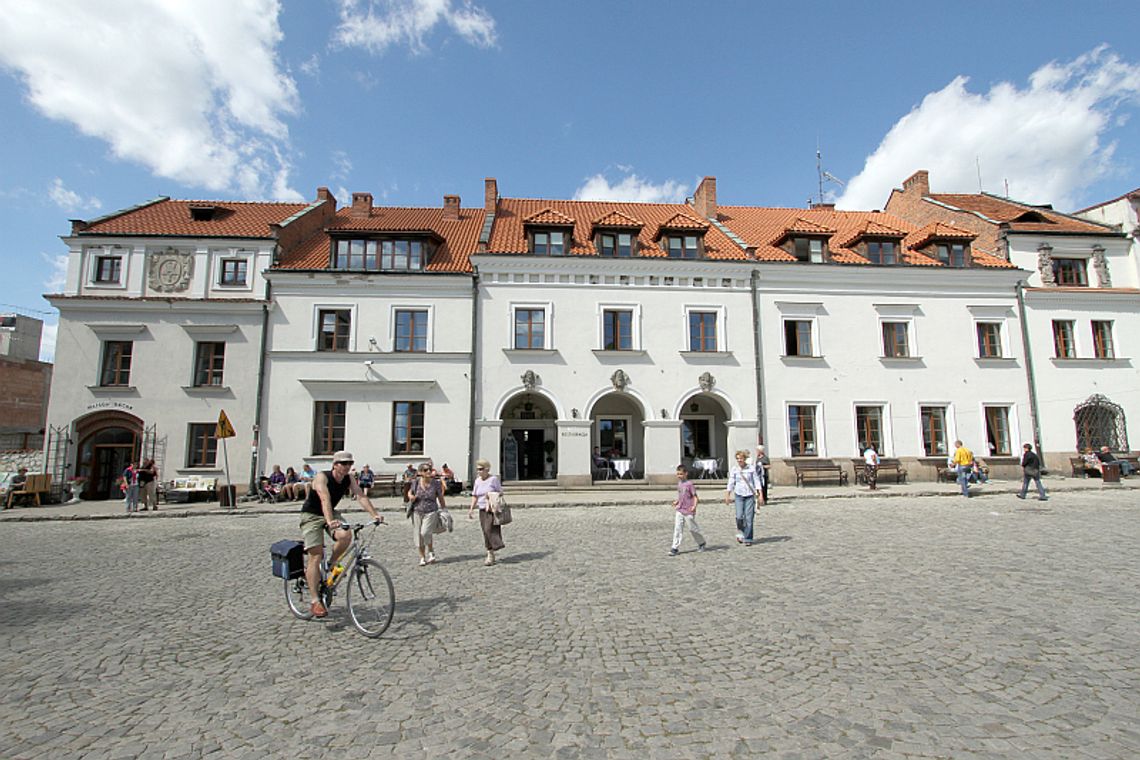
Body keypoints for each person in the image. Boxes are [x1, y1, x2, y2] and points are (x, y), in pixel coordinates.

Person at [299, 451, 382, 618]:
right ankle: (315, 601)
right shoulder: (322, 477)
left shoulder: (348, 478)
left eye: (349, 463)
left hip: (331, 513)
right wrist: (330, 521)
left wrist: (374, 514)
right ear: (335, 464)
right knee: (315, 555)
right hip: (312, 516)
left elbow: (360, 495)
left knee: (346, 535)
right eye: (343, 463)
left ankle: (331, 563)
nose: (347, 467)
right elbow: (325, 499)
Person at [407, 462, 447, 566]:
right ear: (420, 472)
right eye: (425, 470)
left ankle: (430, 550)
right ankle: (422, 557)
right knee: (418, 535)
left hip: (431, 511)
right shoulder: (416, 482)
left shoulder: (436, 483)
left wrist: (444, 510)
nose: (428, 471)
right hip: (417, 511)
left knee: (425, 532)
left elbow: (440, 497)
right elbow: (410, 492)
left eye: (429, 469)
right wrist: (411, 496)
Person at [468, 458, 505, 565]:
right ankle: (490, 552)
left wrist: (490, 495)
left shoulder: (493, 479)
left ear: (487, 469)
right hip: (482, 509)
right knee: (485, 531)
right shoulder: (477, 481)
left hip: (492, 509)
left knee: (489, 529)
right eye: (477, 469)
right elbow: (475, 495)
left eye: (481, 469)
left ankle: (495, 547)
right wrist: (471, 509)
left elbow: (500, 492)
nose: (478, 471)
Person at [724, 449, 764, 546]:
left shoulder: (751, 469)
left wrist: (760, 494)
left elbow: (757, 481)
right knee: (739, 516)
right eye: (737, 459)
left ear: (744, 459)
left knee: (749, 518)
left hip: (749, 495)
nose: (739, 460)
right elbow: (731, 482)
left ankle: (748, 537)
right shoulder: (735, 469)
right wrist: (727, 495)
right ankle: (741, 532)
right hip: (739, 495)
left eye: (741, 458)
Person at [669, 464, 705, 556]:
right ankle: (674, 547)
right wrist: (677, 501)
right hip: (680, 509)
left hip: (689, 509)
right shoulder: (679, 484)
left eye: (681, 474)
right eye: (678, 474)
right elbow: (681, 495)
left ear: (686, 474)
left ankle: (701, 542)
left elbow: (695, 496)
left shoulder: (689, 484)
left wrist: (694, 506)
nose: (679, 476)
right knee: (678, 528)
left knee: (692, 528)